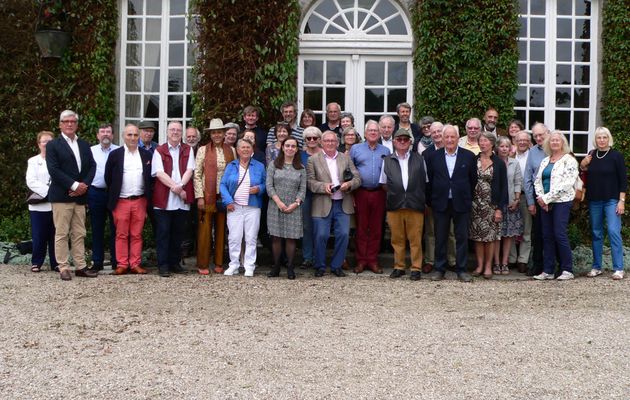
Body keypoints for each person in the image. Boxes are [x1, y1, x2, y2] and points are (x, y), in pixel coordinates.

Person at [46, 110, 97, 281]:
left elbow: (92, 166)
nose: (69, 124)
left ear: (77, 124)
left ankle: (81, 266)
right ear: (60, 124)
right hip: (62, 196)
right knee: (61, 233)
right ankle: (63, 267)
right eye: (66, 121)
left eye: (73, 121)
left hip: (80, 197)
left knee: (79, 233)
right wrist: (74, 185)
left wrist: (84, 186)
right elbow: (54, 170)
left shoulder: (84, 144)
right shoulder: (53, 145)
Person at [426, 124, 477, 282]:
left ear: (457, 138)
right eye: (446, 137)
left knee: (461, 237)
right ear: (442, 138)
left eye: (452, 137)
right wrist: (431, 200)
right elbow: (429, 181)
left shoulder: (468, 156)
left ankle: (461, 269)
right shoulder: (433, 156)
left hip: (461, 202)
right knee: (440, 237)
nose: (449, 140)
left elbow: (473, 180)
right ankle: (439, 269)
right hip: (440, 203)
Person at [307, 131, 361, 277]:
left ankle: (337, 266)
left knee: (343, 234)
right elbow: (309, 182)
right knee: (321, 235)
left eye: (333, 141)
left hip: (343, 202)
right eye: (327, 141)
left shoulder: (345, 158)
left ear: (338, 143)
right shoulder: (313, 160)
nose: (330, 143)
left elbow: (357, 178)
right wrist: (323, 186)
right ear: (321, 143)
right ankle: (319, 266)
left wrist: (348, 184)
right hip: (322, 202)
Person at [104, 124, 153, 275]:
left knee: (137, 234)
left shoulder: (146, 155)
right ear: (123, 136)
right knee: (121, 234)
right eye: (129, 135)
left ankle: (135, 263)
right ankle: (122, 264)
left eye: (135, 135)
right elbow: (108, 177)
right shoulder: (115, 155)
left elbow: (150, 178)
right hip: (121, 201)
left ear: (139, 137)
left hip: (140, 200)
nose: (132, 138)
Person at [580, 127, 627, 280]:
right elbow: (583, 171)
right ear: (595, 139)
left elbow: (623, 180)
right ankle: (596, 266)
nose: (601, 140)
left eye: (604, 137)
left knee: (613, 231)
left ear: (609, 139)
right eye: (599, 137)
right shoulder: (591, 155)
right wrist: (583, 163)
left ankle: (619, 268)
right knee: (596, 233)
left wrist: (622, 201)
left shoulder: (616, 156)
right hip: (595, 200)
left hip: (612, 200)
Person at [379, 129, 426, 280]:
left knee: (415, 239)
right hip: (395, 204)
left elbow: (425, 182)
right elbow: (384, 184)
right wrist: (397, 193)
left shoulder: (419, 159)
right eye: (399, 139)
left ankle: (416, 268)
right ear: (394, 142)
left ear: (410, 142)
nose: (402, 142)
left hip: (415, 204)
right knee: (397, 239)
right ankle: (399, 266)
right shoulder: (387, 160)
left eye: (405, 139)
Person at [533, 131, 578, 281]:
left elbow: (567, 184)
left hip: (561, 202)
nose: (554, 143)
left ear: (563, 143)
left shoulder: (569, 160)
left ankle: (567, 270)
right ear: (548, 143)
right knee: (547, 236)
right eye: (552, 140)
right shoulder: (545, 161)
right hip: (545, 203)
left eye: (557, 140)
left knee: (559, 233)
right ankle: (548, 270)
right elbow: (537, 181)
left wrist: (546, 198)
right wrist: (541, 198)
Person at [151, 121, 195, 277]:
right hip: (164, 200)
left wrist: (181, 185)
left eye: (178, 130)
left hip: (181, 200)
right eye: (172, 130)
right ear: (167, 132)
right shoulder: (159, 150)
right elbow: (159, 173)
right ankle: (163, 265)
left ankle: (175, 263)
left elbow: (190, 169)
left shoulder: (188, 149)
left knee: (178, 233)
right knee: (163, 233)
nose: (175, 132)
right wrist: (176, 188)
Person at [194, 118, 235, 275]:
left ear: (224, 134)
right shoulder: (203, 150)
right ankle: (203, 263)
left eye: (219, 132)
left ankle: (219, 262)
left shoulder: (231, 150)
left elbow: (234, 172)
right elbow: (197, 174)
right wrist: (199, 196)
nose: (217, 135)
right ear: (210, 135)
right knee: (205, 229)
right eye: (214, 133)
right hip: (207, 194)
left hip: (224, 195)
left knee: (221, 229)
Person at [220, 139, 266, 277]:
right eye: (242, 147)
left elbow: (266, 184)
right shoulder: (231, 166)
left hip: (253, 207)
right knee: (234, 237)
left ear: (252, 150)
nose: (245, 150)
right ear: (238, 150)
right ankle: (234, 264)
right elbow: (222, 185)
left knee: (251, 238)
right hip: (234, 207)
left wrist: (259, 188)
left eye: (248, 147)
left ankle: (249, 266)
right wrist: (228, 201)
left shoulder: (259, 166)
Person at [350, 120, 390, 273]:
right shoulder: (356, 149)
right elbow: (349, 171)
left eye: (376, 131)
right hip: (361, 192)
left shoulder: (385, 150)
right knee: (361, 227)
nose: (373, 133)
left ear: (379, 133)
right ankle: (361, 260)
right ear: (365, 133)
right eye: (370, 130)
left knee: (376, 228)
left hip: (379, 193)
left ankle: (372, 260)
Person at [266, 137, 307, 279]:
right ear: (282, 148)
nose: (290, 148)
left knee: (291, 238)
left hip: (293, 207)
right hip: (275, 205)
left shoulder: (301, 168)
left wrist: (295, 204)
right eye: (287, 146)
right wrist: (279, 202)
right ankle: (276, 266)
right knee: (276, 237)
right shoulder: (273, 164)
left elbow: (303, 190)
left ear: (296, 149)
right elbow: (269, 186)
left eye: (293, 146)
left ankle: (290, 267)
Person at [469, 131, 507, 279]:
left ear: (492, 144)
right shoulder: (474, 160)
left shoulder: (499, 163)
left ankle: (488, 266)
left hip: (491, 205)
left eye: (485, 141)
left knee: (490, 237)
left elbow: (504, 188)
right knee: (478, 236)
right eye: (481, 141)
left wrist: (499, 209)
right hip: (475, 204)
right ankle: (479, 265)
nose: (483, 143)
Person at [422, 122, 457, 272]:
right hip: (433, 200)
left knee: (451, 232)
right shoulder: (426, 154)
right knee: (431, 232)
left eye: (439, 131)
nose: (436, 134)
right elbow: (425, 180)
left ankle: (452, 260)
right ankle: (430, 260)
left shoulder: (454, 151)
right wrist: (427, 201)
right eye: (433, 132)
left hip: (453, 200)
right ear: (430, 134)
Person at [26, 131, 58, 273]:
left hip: (56, 204)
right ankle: (36, 262)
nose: (47, 144)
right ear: (39, 144)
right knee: (39, 235)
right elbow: (31, 181)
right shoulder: (33, 161)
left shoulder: (59, 161)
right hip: (39, 205)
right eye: (44, 141)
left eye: (50, 141)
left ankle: (56, 262)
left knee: (55, 235)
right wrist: (48, 191)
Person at [88, 123, 119, 271]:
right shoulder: (90, 151)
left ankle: (116, 261)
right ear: (97, 135)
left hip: (114, 193)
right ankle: (97, 262)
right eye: (102, 132)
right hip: (96, 193)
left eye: (108, 132)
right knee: (97, 228)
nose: (105, 134)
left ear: (112, 135)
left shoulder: (119, 151)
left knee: (116, 229)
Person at [493, 136, 523, 275]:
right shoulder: (493, 162)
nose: (504, 149)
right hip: (496, 203)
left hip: (511, 202)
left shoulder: (514, 163)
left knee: (508, 235)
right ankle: (496, 263)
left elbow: (518, 182)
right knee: (496, 235)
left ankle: (505, 262)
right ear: (497, 147)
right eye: (502, 146)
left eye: (507, 146)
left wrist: (517, 199)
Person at [523, 123, 550, 276]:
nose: (539, 138)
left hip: (555, 196)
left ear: (548, 133)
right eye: (536, 136)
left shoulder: (555, 148)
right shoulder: (532, 152)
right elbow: (527, 178)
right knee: (538, 233)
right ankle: (538, 265)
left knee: (554, 232)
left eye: (541, 135)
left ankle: (556, 265)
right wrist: (531, 202)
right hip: (537, 196)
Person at [508, 130, 532, 273]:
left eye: (525, 140)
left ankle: (523, 259)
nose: (522, 142)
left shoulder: (533, 156)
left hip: (526, 196)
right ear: (515, 142)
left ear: (529, 142)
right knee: (510, 228)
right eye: (519, 140)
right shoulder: (510, 156)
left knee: (526, 229)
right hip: (511, 197)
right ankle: (511, 258)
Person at [300, 126, 322, 269]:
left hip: (322, 195)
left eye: (315, 138)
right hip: (305, 195)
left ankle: (319, 257)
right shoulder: (300, 155)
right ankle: (307, 257)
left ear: (320, 139)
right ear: (305, 140)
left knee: (321, 227)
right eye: (309, 138)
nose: (312, 140)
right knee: (307, 227)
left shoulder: (325, 154)